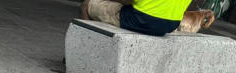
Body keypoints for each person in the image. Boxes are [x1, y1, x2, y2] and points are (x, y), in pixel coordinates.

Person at [81, 0, 215, 35]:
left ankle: (80, 55)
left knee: (87, 5)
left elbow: (128, 1)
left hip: (140, 20)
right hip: (169, 25)